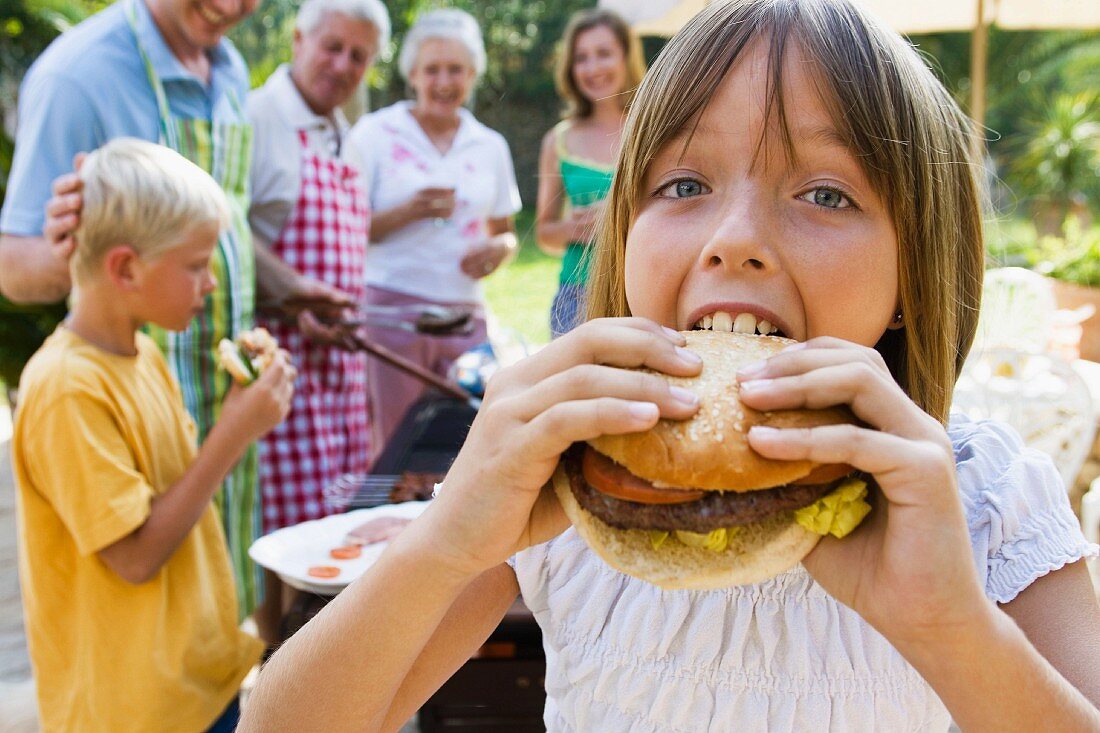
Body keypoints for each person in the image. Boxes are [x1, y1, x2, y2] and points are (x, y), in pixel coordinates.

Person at [241, 1, 1100, 731]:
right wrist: (441, 542)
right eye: (684, 184)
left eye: (827, 192)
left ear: (915, 271)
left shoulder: (983, 497)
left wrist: (951, 629)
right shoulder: (574, 485)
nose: (733, 240)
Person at [0, 0, 274, 618]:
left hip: (211, 411)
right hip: (132, 430)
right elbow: (14, 268)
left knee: (215, 610)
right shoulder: (77, 75)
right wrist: (76, 251)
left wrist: (287, 290)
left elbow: (222, 233)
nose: (233, 7)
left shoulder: (229, 69)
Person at [12, 138, 294, 732]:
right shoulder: (66, 388)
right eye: (195, 265)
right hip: (135, 711)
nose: (211, 284)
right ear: (125, 267)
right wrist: (234, 434)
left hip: (194, 682)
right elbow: (135, 557)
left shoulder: (140, 351)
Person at [246, 0, 390, 644]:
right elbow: (224, 235)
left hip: (338, 366)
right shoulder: (258, 118)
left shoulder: (341, 132)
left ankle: (327, 656)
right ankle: (280, 658)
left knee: (340, 516)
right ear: (298, 38)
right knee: (286, 538)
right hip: (281, 365)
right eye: (331, 47)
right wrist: (293, 295)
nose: (342, 66)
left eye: (358, 56)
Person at [346, 8, 522, 453]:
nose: (444, 81)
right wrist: (408, 211)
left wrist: (498, 250)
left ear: (473, 75)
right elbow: (345, 230)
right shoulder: (375, 133)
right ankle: (391, 525)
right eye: (432, 69)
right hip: (390, 317)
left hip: (465, 317)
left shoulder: (490, 145)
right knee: (393, 447)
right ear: (412, 75)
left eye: (456, 70)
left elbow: (507, 233)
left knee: (463, 446)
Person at [535, 9, 644, 338]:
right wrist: (572, 228)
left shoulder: (652, 128)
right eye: (582, 58)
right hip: (575, 297)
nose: (593, 68)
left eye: (604, 54)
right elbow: (544, 234)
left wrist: (620, 220)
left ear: (626, 58)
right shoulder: (559, 140)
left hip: (642, 291)